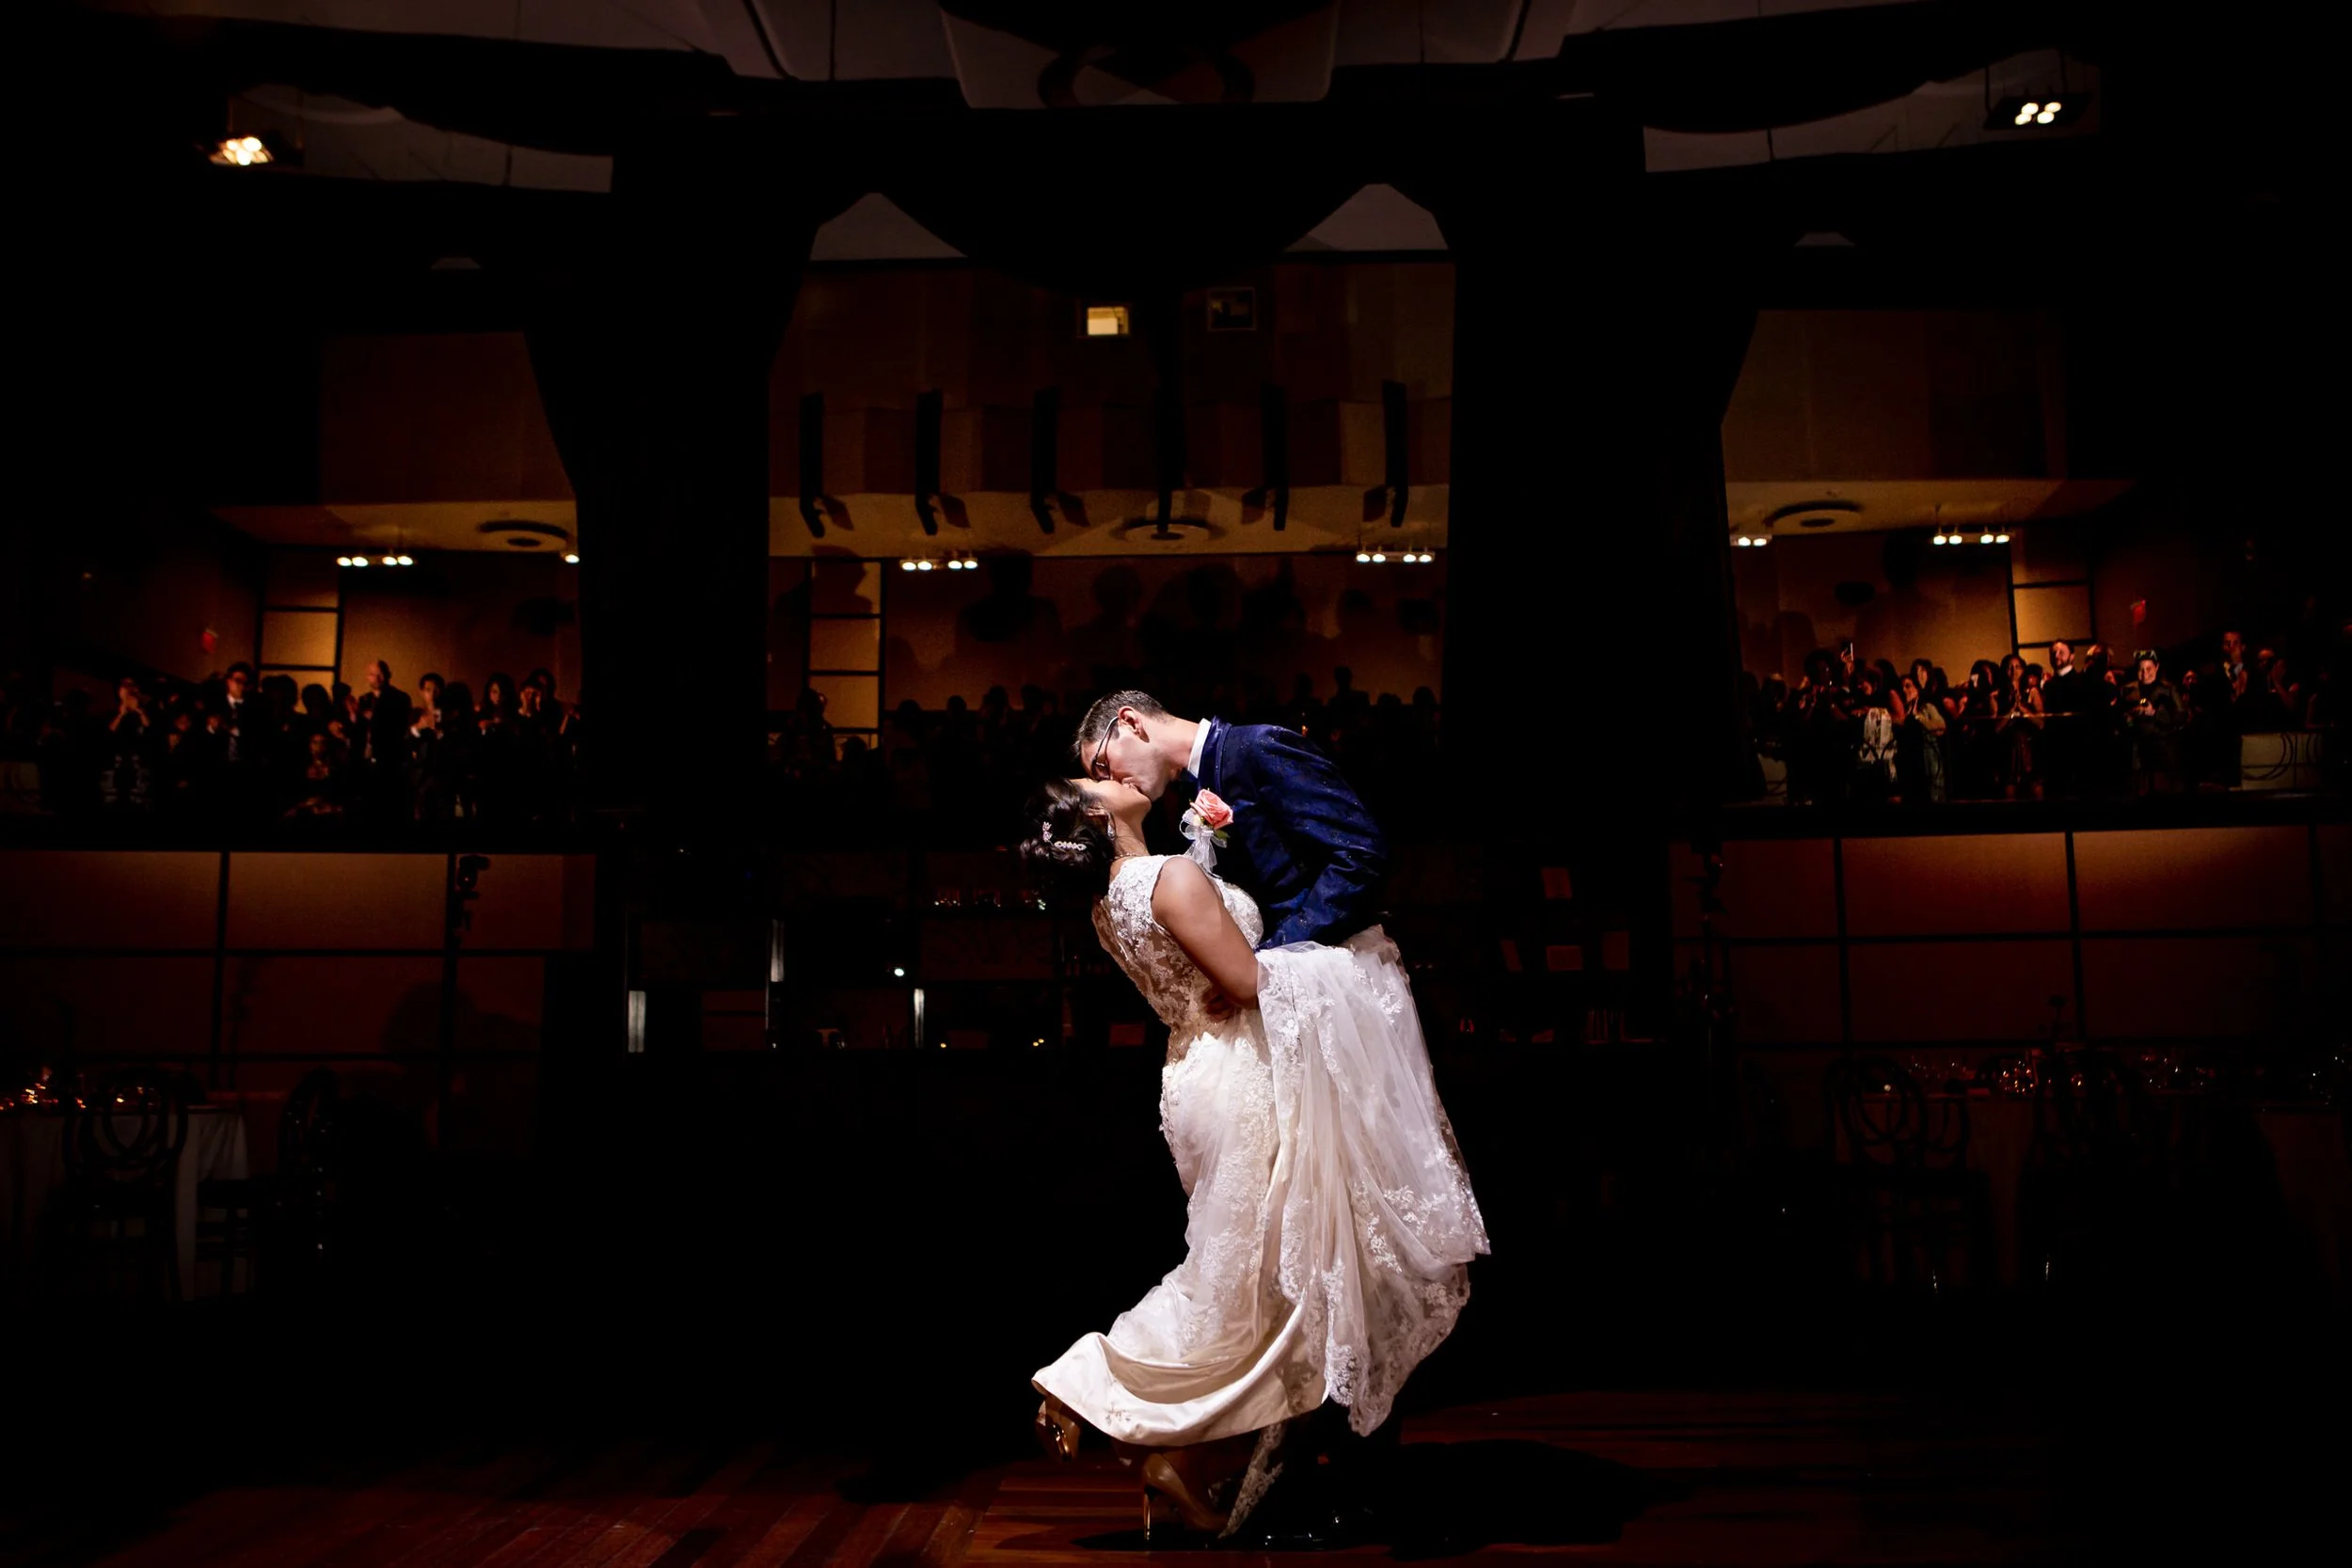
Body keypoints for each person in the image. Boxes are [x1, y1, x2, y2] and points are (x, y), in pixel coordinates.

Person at [1030, 693, 1484, 1542]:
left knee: (1298, 1259)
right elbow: (1239, 967)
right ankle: (1133, 1396)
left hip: (1233, 1054)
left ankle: (1251, 1464)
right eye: (1092, 785)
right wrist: (1253, 962)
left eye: (1100, 763)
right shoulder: (1160, 870)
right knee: (1293, 1262)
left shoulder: (1258, 754)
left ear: (1129, 723)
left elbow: (1359, 854)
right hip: (1246, 1059)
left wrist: (1265, 951)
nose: (1107, 780)